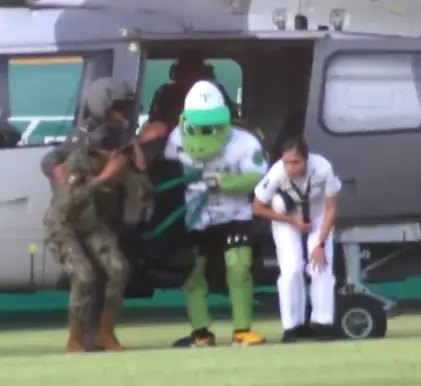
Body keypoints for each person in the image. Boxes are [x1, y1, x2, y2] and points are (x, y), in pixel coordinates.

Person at [41, 77, 149, 353]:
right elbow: (67, 205)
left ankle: (105, 333)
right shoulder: (79, 153)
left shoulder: (117, 143)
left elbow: (141, 184)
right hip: (65, 224)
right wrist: (102, 178)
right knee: (86, 276)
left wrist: (133, 158)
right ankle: (74, 340)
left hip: (92, 222)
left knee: (118, 269)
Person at [165, 79, 268, 347]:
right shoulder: (175, 138)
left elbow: (259, 177)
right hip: (193, 217)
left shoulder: (246, 143)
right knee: (191, 272)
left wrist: (223, 182)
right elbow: (165, 173)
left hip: (234, 215)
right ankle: (201, 333)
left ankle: (242, 330)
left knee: (238, 267)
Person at [252, 137, 341, 343]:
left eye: (296, 162)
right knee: (291, 269)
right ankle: (293, 326)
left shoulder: (323, 169)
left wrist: (320, 244)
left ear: (307, 159)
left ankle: (322, 322)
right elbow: (258, 207)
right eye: (287, 162)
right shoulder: (277, 172)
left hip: (318, 215)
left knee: (320, 266)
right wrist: (291, 220)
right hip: (287, 219)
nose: (290, 167)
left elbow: (331, 208)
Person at [148, 51, 239, 130]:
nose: (190, 75)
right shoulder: (166, 94)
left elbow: (233, 120)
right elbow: (155, 124)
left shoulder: (215, 92)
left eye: (194, 70)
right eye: (185, 71)